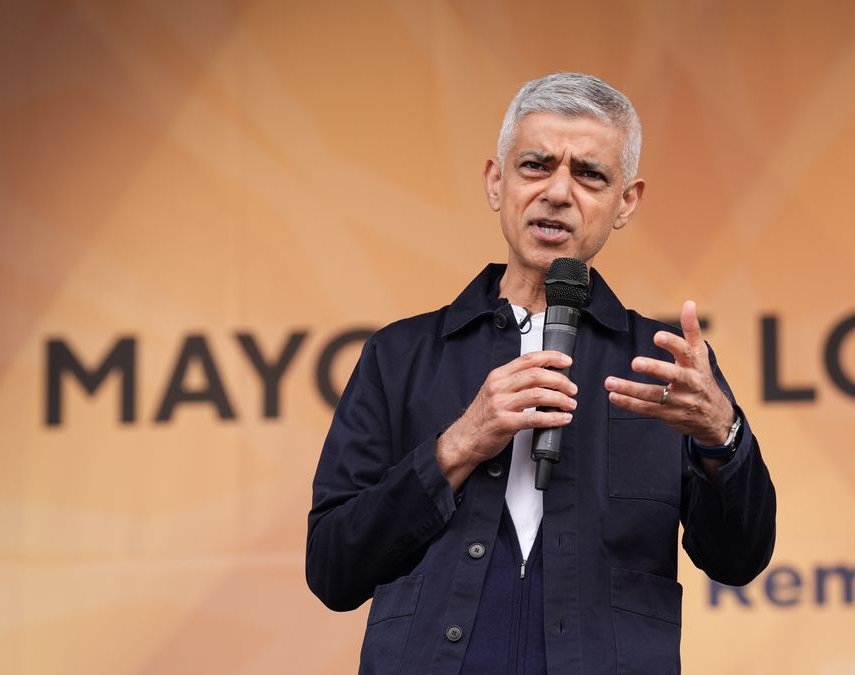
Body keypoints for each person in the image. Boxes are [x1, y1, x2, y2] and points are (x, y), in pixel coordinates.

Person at [306, 72, 775, 675]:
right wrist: (458, 444)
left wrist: (723, 438)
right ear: (496, 182)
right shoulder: (400, 355)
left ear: (625, 202)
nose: (557, 192)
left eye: (590, 175)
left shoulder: (665, 367)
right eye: (535, 166)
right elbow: (333, 570)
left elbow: (739, 560)